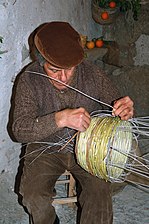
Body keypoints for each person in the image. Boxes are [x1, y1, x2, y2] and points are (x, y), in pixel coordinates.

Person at [10, 21, 134, 224]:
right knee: (33, 196)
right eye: (54, 70)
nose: (64, 78)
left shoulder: (92, 73)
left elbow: (115, 103)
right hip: (44, 148)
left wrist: (124, 108)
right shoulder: (29, 80)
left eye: (70, 69)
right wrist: (60, 118)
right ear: (41, 62)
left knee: (100, 193)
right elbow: (19, 130)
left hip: (88, 147)